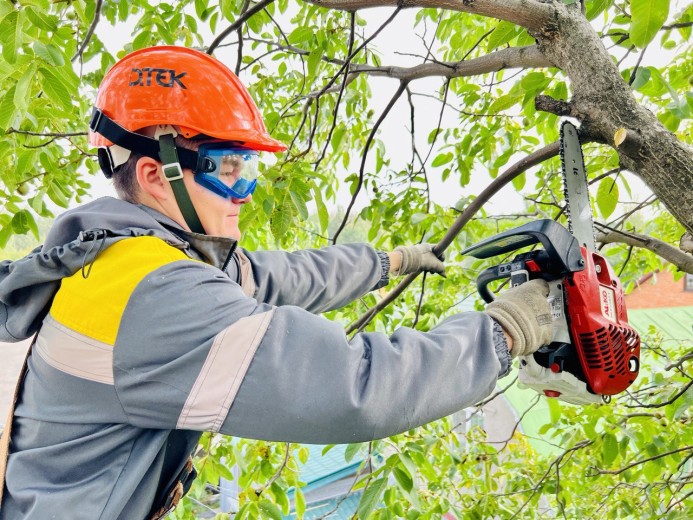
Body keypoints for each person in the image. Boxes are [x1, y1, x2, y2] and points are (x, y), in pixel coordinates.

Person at [0, 46, 552, 519]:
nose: (245, 194)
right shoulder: (153, 296)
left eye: (248, 170)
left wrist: (391, 261)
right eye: (227, 169)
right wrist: (509, 328)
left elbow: (280, 275)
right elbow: (352, 389)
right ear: (155, 175)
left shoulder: (125, 260)